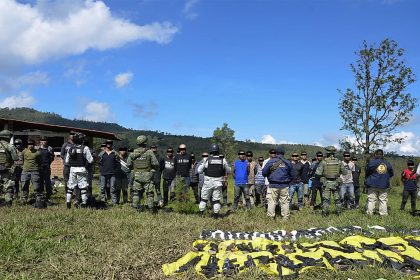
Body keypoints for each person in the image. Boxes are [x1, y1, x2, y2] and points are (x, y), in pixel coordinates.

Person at [127, 135, 159, 212]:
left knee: (136, 193)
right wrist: (153, 170)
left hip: (136, 175)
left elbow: (128, 164)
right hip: (147, 175)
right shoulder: (149, 152)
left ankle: (135, 208)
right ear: (145, 142)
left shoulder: (133, 153)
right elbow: (156, 164)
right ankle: (151, 209)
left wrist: (134, 170)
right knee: (149, 193)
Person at [262, 146, 295, 220]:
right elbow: (293, 175)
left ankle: (271, 218)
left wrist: (270, 176)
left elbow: (264, 173)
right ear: (283, 153)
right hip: (285, 185)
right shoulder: (288, 162)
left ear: (276, 153)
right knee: (285, 202)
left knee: (272, 202)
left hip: (273, 185)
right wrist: (287, 180)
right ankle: (285, 218)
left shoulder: (270, 161)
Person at [197, 144, 230, 218]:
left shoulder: (207, 160)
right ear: (218, 151)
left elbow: (199, 171)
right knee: (216, 200)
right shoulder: (223, 160)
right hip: (218, 183)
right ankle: (215, 216)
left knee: (204, 199)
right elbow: (228, 170)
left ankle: (201, 214)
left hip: (207, 183)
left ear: (211, 151)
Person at [315, 146, 347, 216]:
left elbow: (318, 173)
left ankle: (324, 213)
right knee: (337, 199)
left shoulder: (323, 162)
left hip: (326, 183)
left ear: (327, 153)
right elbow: (345, 172)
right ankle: (339, 213)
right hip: (336, 182)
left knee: (326, 199)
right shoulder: (339, 162)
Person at [65, 133, 93, 208]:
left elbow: (67, 161)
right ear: (82, 140)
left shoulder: (70, 148)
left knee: (70, 187)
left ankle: (68, 204)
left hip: (72, 169)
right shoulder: (85, 148)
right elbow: (91, 160)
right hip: (82, 169)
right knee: (83, 187)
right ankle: (84, 204)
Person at [365, 149, 393, 216]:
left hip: (372, 183)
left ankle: (369, 214)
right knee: (383, 200)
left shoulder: (371, 162)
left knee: (371, 200)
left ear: (375, 155)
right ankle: (383, 214)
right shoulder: (387, 163)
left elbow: (367, 173)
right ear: (383, 155)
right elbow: (391, 174)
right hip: (383, 184)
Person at [21, 139, 44, 208]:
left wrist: (37, 168)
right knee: (24, 185)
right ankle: (24, 198)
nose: (30, 146)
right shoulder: (24, 151)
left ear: (34, 145)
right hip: (25, 171)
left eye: (31, 144)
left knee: (36, 186)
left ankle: (38, 199)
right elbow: (22, 159)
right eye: (29, 144)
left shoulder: (38, 153)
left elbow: (40, 161)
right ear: (27, 145)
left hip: (35, 171)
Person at [99, 140, 120, 205]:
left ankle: (114, 202)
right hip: (103, 173)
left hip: (112, 173)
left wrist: (116, 170)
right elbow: (99, 162)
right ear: (105, 144)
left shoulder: (115, 153)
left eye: (110, 143)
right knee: (102, 188)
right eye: (107, 143)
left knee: (113, 188)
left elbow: (118, 163)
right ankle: (103, 201)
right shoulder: (101, 153)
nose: (109, 144)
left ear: (112, 144)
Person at [0, 130, 18, 206]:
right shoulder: (10, 146)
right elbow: (15, 159)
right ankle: (8, 202)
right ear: (9, 137)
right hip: (6, 170)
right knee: (9, 187)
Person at [38, 136, 55, 204]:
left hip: (47, 167)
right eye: (42, 140)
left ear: (47, 141)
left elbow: (52, 157)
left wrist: (48, 163)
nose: (43, 141)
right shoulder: (37, 148)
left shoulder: (50, 148)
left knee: (47, 182)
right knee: (40, 182)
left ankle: (48, 195)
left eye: (45, 140)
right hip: (39, 168)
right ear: (40, 141)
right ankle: (41, 194)